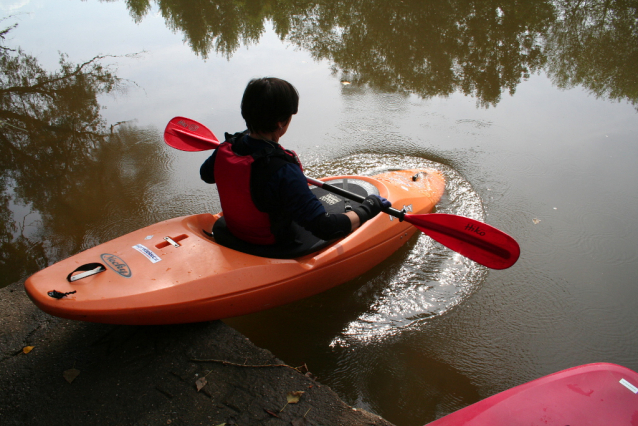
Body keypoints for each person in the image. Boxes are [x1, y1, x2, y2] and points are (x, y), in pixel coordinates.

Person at [200, 77, 390, 252]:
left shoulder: (226, 147)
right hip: (269, 246)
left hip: (233, 232)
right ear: (281, 123)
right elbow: (326, 228)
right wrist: (369, 207)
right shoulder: (283, 171)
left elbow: (206, 175)